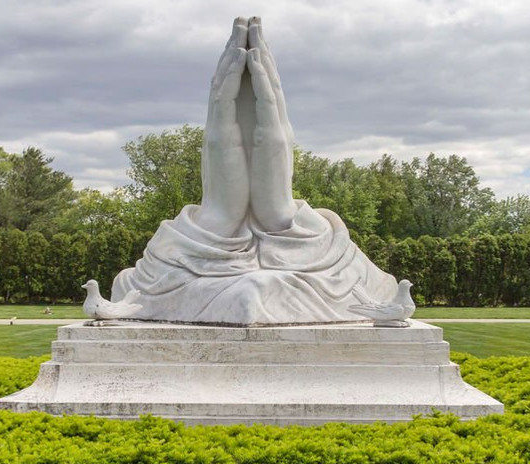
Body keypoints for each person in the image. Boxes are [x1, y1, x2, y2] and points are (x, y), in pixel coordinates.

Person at [111, 17, 396, 325]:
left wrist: (277, 215)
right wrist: (220, 221)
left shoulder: (325, 249)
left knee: (253, 287)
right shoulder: (174, 254)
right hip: (220, 236)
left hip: (270, 237)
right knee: (249, 287)